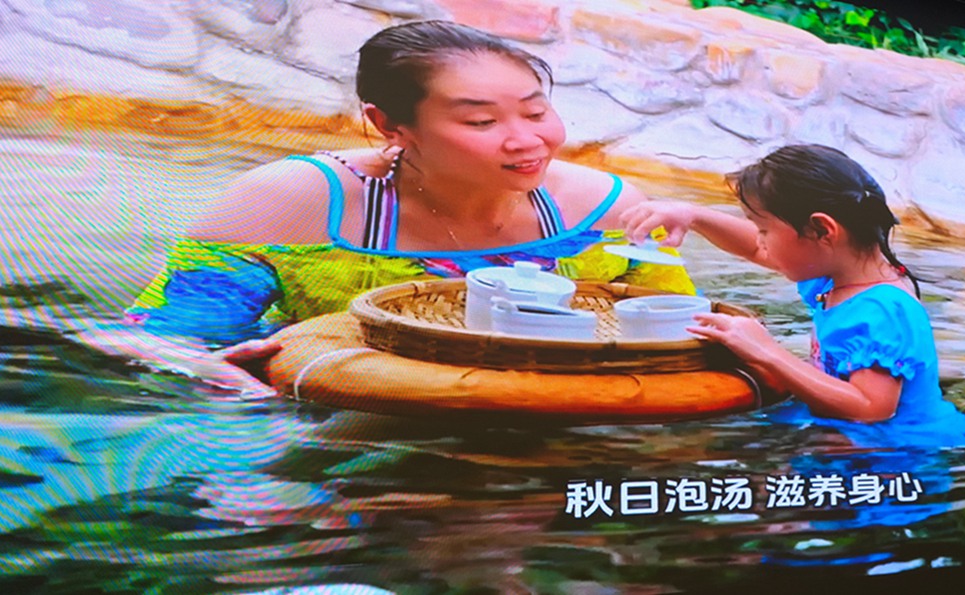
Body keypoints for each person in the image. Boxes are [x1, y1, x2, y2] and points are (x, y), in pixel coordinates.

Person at [111, 20, 695, 396]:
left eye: (536, 112)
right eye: (481, 121)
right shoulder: (296, 201)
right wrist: (216, 376)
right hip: (340, 414)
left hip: (552, 410)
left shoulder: (605, 209)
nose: (526, 140)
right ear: (390, 124)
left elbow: (688, 331)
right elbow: (151, 338)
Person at [622, 144, 965, 445]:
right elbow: (756, 249)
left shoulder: (882, 310)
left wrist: (767, 352)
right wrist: (694, 215)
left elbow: (871, 408)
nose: (759, 241)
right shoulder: (840, 276)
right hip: (847, 437)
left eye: (764, 229)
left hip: (895, 458)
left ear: (822, 230)